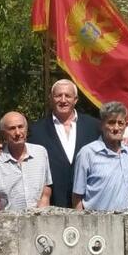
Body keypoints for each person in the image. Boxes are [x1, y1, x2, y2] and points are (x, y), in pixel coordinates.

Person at [28, 79, 100, 207]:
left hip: (88, 204)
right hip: (52, 204)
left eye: (67, 96)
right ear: (51, 99)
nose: (63, 100)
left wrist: (125, 140)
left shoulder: (94, 126)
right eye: (58, 96)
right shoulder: (36, 131)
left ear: (75, 100)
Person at [71, 101, 128, 211]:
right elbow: (77, 197)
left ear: (126, 125)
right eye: (111, 123)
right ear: (102, 125)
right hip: (96, 219)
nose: (116, 128)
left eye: (120, 123)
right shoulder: (87, 153)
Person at [0, 112, 52, 211]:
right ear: (3, 133)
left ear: (26, 128)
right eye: (12, 128)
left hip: (39, 217)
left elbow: (46, 186)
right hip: (9, 219)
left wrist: (43, 206)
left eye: (20, 127)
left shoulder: (40, 153)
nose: (17, 133)